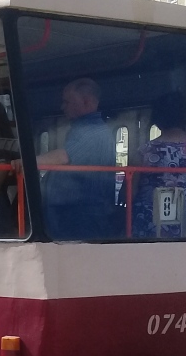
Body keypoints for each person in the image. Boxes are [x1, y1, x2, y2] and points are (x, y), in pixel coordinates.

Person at [15, 77, 115, 240]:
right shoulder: (89, 129)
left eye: (67, 102)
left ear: (86, 102)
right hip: (76, 213)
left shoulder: (92, 131)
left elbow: (64, 156)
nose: (63, 107)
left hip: (81, 216)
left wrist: (27, 163)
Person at [133, 92, 186, 238]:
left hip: (150, 221)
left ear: (157, 118)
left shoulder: (144, 151)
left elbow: (130, 191)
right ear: (185, 116)